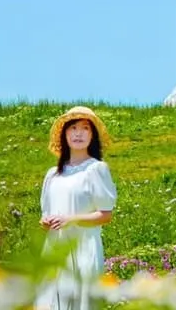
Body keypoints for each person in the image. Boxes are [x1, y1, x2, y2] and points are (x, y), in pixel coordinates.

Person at [35, 105, 117, 310]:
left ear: (93, 136)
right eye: (72, 128)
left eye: (85, 128)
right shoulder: (52, 174)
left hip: (84, 247)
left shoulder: (96, 169)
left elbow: (105, 215)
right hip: (55, 247)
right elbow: (45, 215)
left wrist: (71, 219)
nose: (78, 133)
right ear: (64, 134)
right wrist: (46, 222)